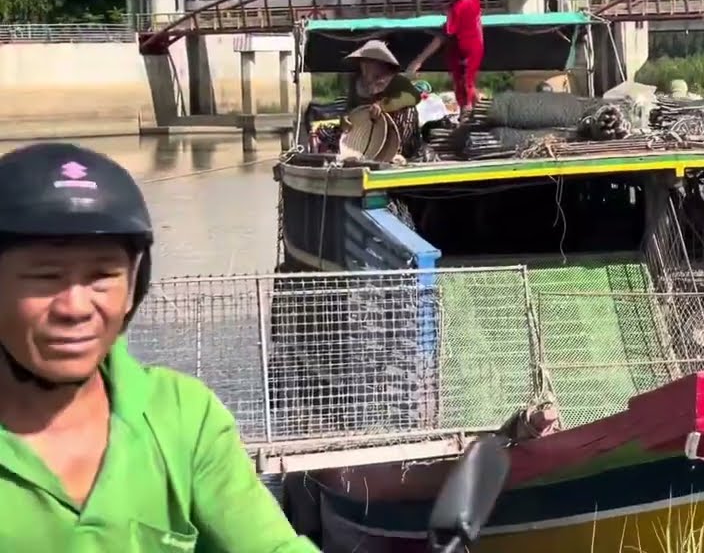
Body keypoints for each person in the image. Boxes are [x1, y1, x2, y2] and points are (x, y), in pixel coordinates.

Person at [0, 142, 319, 552]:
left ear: (134, 287)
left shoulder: (183, 414)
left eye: (102, 276)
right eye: (45, 277)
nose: (75, 308)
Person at [419, 0, 487, 119]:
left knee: (464, 98)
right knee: (470, 91)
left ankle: (467, 128)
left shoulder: (459, 9)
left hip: (464, 58)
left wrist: (418, 60)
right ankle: (478, 109)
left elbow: (441, 37)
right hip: (473, 50)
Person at [343, 39, 433, 158]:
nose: (365, 65)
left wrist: (382, 106)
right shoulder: (355, 82)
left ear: (382, 63)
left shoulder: (396, 81)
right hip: (365, 133)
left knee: (408, 111)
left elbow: (414, 97)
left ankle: (398, 153)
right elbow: (350, 107)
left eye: (371, 61)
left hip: (395, 133)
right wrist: (346, 118)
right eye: (363, 61)